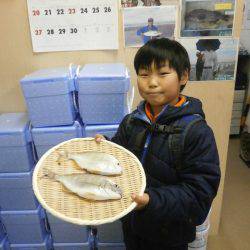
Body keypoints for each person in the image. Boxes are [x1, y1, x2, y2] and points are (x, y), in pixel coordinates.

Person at [95, 38, 221, 250]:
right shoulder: (132, 121)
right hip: (132, 223)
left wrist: (152, 201)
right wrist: (106, 147)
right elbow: (120, 160)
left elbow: (199, 195)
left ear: (183, 76)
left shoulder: (196, 132)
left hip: (170, 233)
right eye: (144, 74)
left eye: (162, 74)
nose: (151, 82)